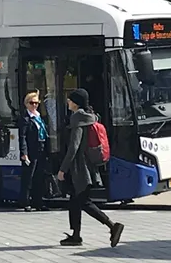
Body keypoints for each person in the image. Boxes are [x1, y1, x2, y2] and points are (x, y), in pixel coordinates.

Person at [57, 88, 124, 247]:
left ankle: (112, 226)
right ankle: (75, 235)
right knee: (74, 200)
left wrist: (63, 169)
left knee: (83, 201)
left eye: (70, 100)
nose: (68, 102)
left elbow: (73, 147)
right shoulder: (91, 117)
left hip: (79, 169)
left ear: (76, 102)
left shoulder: (78, 119)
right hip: (89, 167)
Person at [18, 91, 49, 212]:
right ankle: (25, 202)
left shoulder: (38, 116)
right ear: (26, 104)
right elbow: (23, 137)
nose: (34, 105)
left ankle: (38, 202)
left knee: (39, 176)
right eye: (32, 103)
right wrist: (24, 153)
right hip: (31, 151)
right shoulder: (25, 118)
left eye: (36, 103)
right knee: (28, 177)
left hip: (41, 149)